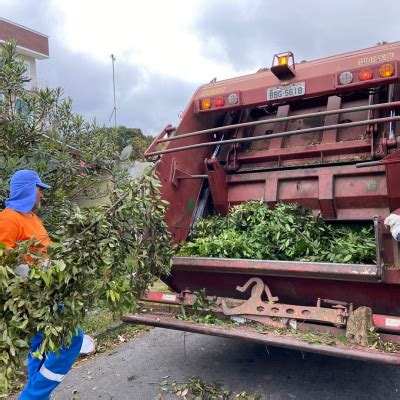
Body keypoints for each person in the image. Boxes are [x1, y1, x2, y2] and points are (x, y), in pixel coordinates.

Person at [0, 170, 89, 400]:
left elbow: (42, 251)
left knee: (38, 349)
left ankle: (38, 396)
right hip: (33, 300)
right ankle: (32, 397)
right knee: (72, 339)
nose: (41, 193)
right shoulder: (9, 218)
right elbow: (3, 261)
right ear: (27, 189)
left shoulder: (32, 217)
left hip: (47, 295)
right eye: (39, 188)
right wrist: (35, 272)